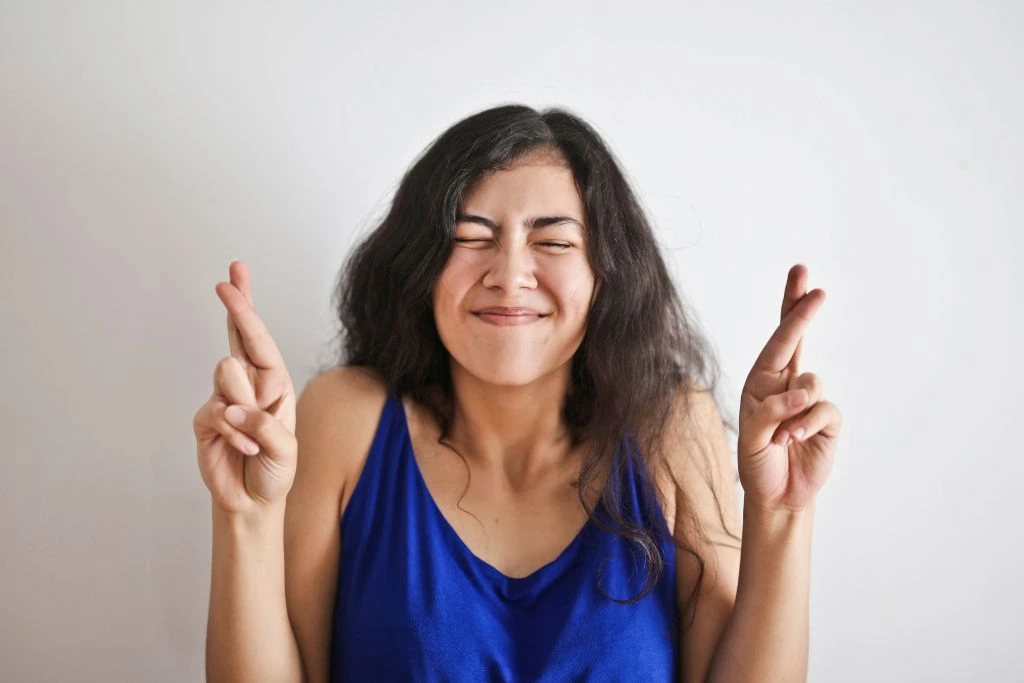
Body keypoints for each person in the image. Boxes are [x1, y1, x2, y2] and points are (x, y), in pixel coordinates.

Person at [194, 104, 843, 683]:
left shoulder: (671, 426)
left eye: (553, 240)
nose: (508, 274)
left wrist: (782, 511)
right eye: (470, 237)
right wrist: (244, 515)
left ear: (604, 273)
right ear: (421, 265)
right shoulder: (345, 417)